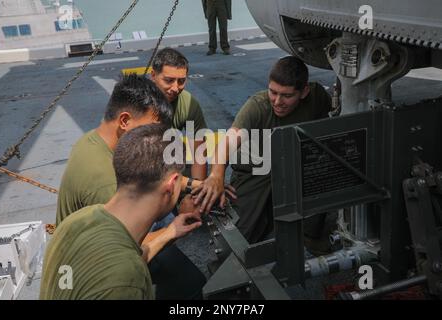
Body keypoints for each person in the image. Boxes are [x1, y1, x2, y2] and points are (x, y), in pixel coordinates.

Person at [55, 75, 206, 299]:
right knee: (191, 282)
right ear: (125, 121)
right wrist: (172, 229)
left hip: (81, 257)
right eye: (151, 130)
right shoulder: (104, 180)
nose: (155, 138)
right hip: (98, 269)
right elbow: (129, 250)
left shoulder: (95, 140)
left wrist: (194, 184)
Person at [194, 56, 333, 246]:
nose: (277, 101)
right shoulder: (257, 106)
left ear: (304, 92)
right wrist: (216, 175)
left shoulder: (317, 96)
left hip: (293, 164)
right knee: (233, 243)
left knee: (311, 225)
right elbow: (229, 140)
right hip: (256, 170)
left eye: (287, 95)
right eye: (273, 92)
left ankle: (309, 238)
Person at [151, 48, 208, 180]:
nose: (175, 88)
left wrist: (195, 193)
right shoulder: (137, 102)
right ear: (153, 76)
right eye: (168, 80)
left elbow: (198, 156)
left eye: (181, 81)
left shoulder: (188, 104)